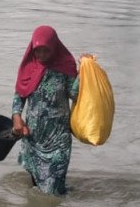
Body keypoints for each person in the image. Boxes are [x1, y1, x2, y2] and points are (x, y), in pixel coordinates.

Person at [10, 26, 90, 196]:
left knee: (53, 192)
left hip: (58, 140)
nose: (41, 55)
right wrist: (16, 116)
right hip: (33, 138)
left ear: (54, 48)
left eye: (46, 51)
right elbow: (20, 95)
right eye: (37, 51)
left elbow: (75, 94)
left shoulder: (65, 67)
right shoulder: (30, 67)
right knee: (36, 192)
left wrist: (84, 70)